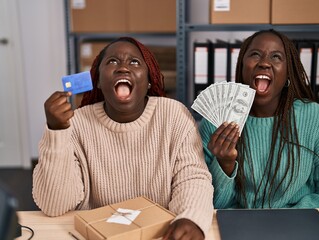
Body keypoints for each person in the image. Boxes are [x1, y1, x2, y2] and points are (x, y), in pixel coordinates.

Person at [32, 36, 214, 239]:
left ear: (148, 80)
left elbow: (192, 178)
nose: (123, 68)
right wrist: (56, 132)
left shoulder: (174, 116)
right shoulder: (76, 124)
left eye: (134, 62)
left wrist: (191, 217)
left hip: (159, 233)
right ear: (98, 81)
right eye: (112, 62)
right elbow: (54, 205)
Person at [199, 29, 319, 209]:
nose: (264, 63)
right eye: (255, 54)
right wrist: (225, 164)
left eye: (276, 57)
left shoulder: (316, 119)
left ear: (288, 73)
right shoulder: (215, 123)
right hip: (238, 229)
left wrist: (284, 219)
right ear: (242, 67)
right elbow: (205, 204)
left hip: (299, 228)